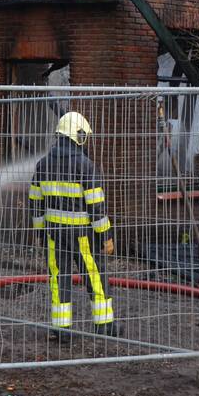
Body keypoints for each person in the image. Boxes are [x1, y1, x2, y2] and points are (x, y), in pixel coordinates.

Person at [29, 111, 121, 339]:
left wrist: (41, 233)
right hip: (82, 235)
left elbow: (35, 203)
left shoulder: (42, 164)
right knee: (95, 277)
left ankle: (61, 330)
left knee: (58, 279)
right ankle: (105, 327)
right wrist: (105, 236)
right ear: (77, 136)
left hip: (53, 234)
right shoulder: (86, 166)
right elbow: (96, 207)